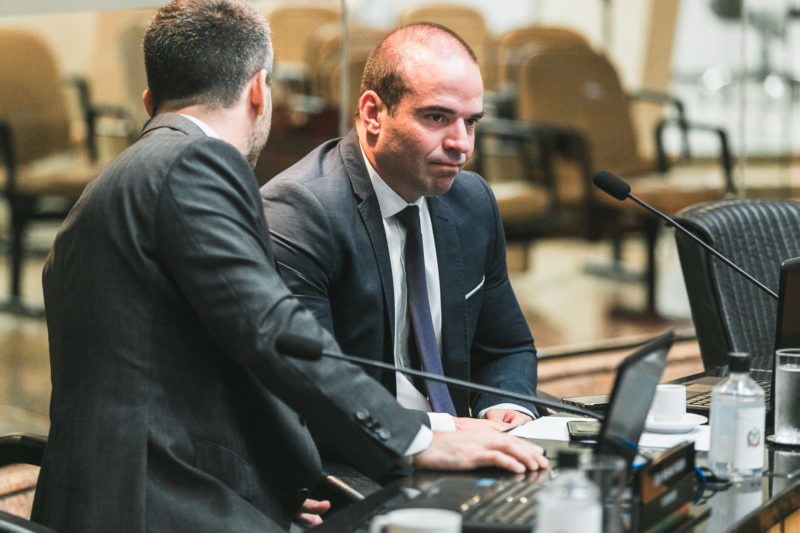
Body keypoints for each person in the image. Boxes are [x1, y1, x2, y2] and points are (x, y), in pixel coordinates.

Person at [30, 2, 547, 532]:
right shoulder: (196, 164)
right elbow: (278, 336)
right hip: (155, 501)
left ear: (149, 102)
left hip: (119, 489)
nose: (461, 141)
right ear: (260, 90)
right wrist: (419, 440)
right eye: (438, 116)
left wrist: (283, 472)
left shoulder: (129, 174)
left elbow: (212, 363)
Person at [261, 23, 539, 435]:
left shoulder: (472, 201)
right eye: (437, 117)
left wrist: (506, 405)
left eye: (471, 122)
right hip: (361, 460)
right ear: (373, 113)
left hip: (468, 444)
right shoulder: (301, 211)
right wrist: (452, 433)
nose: (461, 143)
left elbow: (507, 347)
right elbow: (315, 397)